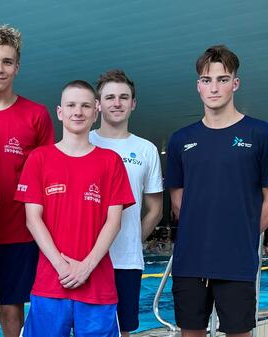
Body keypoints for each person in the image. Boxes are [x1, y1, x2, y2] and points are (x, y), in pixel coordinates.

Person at [165, 45, 268, 337]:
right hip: (190, 261)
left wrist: (239, 236)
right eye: (207, 80)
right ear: (198, 86)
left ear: (235, 83)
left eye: (222, 79)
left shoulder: (262, 134)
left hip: (236, 262)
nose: (214, 87)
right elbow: (179, 202)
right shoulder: (181, 140)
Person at [15, 80, 135, 337]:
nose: (77, 112)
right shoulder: (39, 159)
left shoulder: (110, 162)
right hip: (50, 283)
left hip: (97, 286)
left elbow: (114, 222)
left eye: (85, 106)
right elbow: (32, 219)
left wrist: (86, 267)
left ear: (96, 111)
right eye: (71, 105)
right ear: (60, 112)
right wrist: (61, 266)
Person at [0, 24, 55, 337]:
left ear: (17, 66)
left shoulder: (36, 115)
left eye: (6, 61)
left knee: (11, 313)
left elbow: (47, 178)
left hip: (18, 234)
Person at [89, 69, 163, 335]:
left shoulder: (146, 150)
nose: (116, 103)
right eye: (109, 97)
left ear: (133, 103)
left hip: (125, 260)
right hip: (83, 257)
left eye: (123, 97)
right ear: (98, 104)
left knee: (123, 330)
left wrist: (134, 239)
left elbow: (155, 209)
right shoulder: (84, 141)